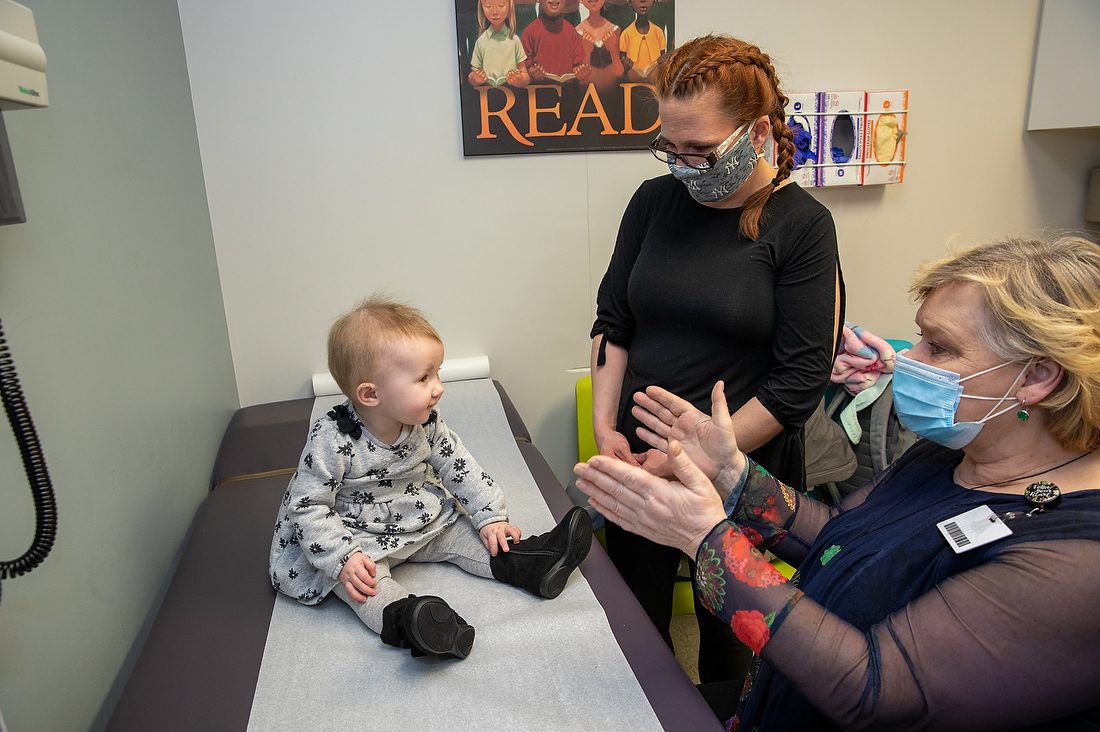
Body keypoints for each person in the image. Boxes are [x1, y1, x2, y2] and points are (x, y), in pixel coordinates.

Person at [576, 233, 1100, 729]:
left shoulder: (1077, 563)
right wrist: (731, 473)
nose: (907, 360)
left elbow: (873, 690)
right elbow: (840, 538)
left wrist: (707, 541)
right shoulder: (948, 456)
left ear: (1035, 377)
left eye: (939, 348)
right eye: (920, 337)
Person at [589, 34, 843, 686]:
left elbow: (798, 383)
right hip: (639, 459)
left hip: (737, 472)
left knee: (728, 635)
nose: (682, 161)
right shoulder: (653, 202)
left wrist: (698, 456)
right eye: (669, 145)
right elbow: (612, 324)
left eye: (699, 148)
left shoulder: (802, 226)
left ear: (757, 131)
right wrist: (607, 429)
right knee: (636, 620)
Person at [269, 295, 592, 661]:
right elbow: (308, 505)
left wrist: (490, 517)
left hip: (415, 513)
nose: (438, 387)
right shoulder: (333, 438)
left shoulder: (427, 423)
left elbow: (460, 466)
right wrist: (342, 557)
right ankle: (412, 622)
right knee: (363, 585)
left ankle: (532, 564)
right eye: (424, 377)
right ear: (371, 394)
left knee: (463, 534)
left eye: (436, 372)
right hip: (353, 533)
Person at [521, 0, 590, 83]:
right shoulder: (530, 32)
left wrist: (580, 72)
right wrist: (532, 73)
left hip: (567, 91)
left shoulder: (571, 31)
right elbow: (524, 69)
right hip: (538, 91)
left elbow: (577, 65)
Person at [468, 0, 530, 88]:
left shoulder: (514, 40)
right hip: (486, 96)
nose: (495, 12)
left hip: (513, 94)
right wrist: (475, 79)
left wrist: (519, 80)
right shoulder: (481, 42)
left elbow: (525, 76)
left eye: (501, 5)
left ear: (510, 6)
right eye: (488, 6)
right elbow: (472, 75)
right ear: (482, 8)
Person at [576, 0, 624, 93]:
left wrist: (612, 50)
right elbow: (581, 76)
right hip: (587, 94)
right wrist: (587, 53)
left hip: (611, 91)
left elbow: (619, 72)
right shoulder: (577, 31)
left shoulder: (614, 29)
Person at [618, 0, 665, 79]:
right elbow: (621, 64)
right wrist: (625, 66)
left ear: (654, 2)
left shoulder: (658, 32)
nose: (643, 1)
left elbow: (663, 61)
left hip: (654, 81)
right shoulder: (626, 34)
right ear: (629, 2)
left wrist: (663, 61)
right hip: (632, 82)